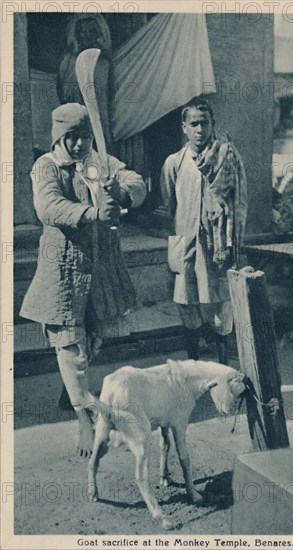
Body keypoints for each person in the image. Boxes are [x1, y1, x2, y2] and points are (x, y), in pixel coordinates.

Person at [20, 103, 146, 457]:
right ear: (59, 136)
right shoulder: (46, 166)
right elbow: (48, 206)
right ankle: (84, 418)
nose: (78, 144)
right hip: (64, 266)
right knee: (70, 341)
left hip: (101, 265)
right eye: (71, 137)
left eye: (84, 136)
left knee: (93, 335)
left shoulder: (99, 160)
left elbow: (135, 181)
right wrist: (92, 212)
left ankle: (71, 390)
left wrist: (121, 193)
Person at [160, 98, 248, 365]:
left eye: (205, 123)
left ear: (213, 125)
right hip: (186, 243)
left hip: (218, 246)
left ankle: (223, 366)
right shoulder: (175, 162)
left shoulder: (227, 158)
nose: (200, 129)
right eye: (194, 124)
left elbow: (241, 200)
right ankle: (193, 364)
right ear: (184, 127)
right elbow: (170, 202)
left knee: (222, 305)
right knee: (187, 304)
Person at [57, 14, 113, 151]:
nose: (87, 36)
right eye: (83, 31)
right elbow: (60, 86)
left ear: (97, 34)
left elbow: (110, 90)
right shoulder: (69, 60)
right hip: (75, 112)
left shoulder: (103, 61)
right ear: (78, 34)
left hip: (99, 115)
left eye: (91, 31)